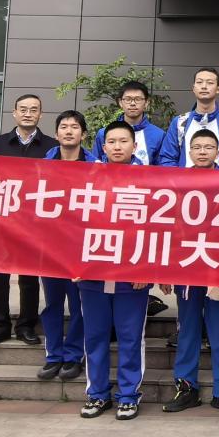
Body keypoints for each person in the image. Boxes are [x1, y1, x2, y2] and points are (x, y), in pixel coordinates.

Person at [78, 121, 153, 421]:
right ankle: (97, 394)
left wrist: (146, 269)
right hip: (93, 272)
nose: (117, 146)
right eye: (112, 141)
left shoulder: (150, 180)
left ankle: (128, 395)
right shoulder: (89, 177)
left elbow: (156, 228)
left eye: (124, 141)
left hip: (132, 276)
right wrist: (74, 264)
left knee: (130, 337)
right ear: (103, 145)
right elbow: (73, 224)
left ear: (135, 146)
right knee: (95, 337)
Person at [163, 129, 219, 415]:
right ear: (189, 151)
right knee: (188, 331)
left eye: (208, 147)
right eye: (197, 147)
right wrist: (165, 270)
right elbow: (167, 228)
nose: (203, 151)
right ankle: (186, 388)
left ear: (218, 151)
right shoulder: (178, 182)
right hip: (186, 268)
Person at [0, 93, 58, 347]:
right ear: (14, 113)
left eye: (33, 109)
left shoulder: (51, 146)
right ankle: (0, 326)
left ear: (40, 114)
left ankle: (26, 326)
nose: (28, 113)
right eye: (23, 109)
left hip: (34, 222)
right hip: (2, 218)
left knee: (29, 277)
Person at [36, 110, 96, 383]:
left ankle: (73, 355)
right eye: (64, 126)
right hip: (49, 246)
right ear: (56, 133)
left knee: (79, 303)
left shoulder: (96, 166)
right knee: (52, 304)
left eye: (74, 127)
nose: (69, 131)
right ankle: (53, 355)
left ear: (83, 134)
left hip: (81, 247)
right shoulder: (42, 165)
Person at [160, 68, 219, 169]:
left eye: (210, 83)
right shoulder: (180, 122)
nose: (204, 86)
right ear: (193, 88)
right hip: (183, 179)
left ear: (218, 89)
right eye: (199, 82)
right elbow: (167, 159)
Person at [93, 80, 166, 166]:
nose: (132, 103)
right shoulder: (104, 133)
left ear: (146, 103)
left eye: (138, 99)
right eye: (128, 99)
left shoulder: (158, 135)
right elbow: (95, 165)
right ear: (120, 102)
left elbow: (162, 169)